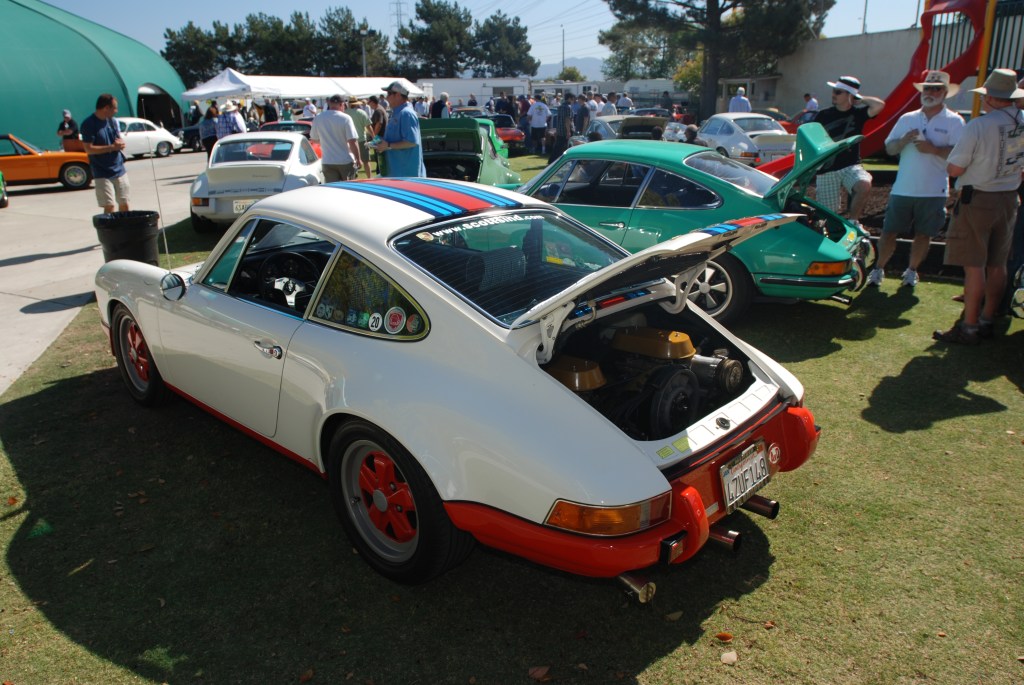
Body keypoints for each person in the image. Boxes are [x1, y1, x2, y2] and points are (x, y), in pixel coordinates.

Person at [933, 68, 1024, 345]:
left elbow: (955, 168)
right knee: (998, 264)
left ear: (992, 98)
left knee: (974, 265)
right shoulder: (1021, 120)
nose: (983, 100)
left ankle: (969, 326)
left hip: (979, 198)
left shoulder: (979, 126)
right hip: (1009, 198)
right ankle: (986, 319)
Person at [868, 71, 965, 290]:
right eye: (927, 88)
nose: (930, 92)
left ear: (945, 93)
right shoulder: (907, 118)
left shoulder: (955, 121)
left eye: (936, 89)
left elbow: (961, 154)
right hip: (902, 188)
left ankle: (912, 271)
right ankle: (878, 269)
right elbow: (890, 148)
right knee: (888, 232)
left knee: (924, 234)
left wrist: (934, 149)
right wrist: (903, 141)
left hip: (934, 191)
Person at [812, 75, 886, 224]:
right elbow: (812, 137)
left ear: (849, 95)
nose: (833, 94)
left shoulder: (858, 114)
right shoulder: (823, 115)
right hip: (827, 168)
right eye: (834, 90)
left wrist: (860, 99)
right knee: (826, 216)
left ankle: (853, 222)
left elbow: (879, 105)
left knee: (864, 184)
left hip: (850, 165)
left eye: (838, 92)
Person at [80, 93, 129, 214]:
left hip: (119, 169)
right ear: (106, 108)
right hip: (101, 171)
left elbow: (117, 140)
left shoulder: (113, 121)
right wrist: (112, 147)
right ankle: (109, 226)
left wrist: (120, 144)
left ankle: (124, 225)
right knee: (109, 205)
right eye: (115, 108)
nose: (116, 111)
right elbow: (89, 149)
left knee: (125, 203)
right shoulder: (89, 124)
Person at [376, 80, 425, 177]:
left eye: (389, 93)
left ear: (398, 95)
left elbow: (411, 142)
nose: (386, 97)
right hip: (397, 172)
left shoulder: (406, 113)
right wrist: (380, 142)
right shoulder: (397, 113)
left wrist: (388, 145)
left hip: (406, 175)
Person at [311, 94, 363, 182]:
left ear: (329, 104)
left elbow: (314, 139)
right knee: (348, 187)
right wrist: (358, 159)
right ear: (342, 104)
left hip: (327, 161)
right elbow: (352, 141)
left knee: (333, 188)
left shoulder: (318, 118)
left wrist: (326, 141)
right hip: (344, 160)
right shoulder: (346, 118)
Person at [346, 97, 373, 179]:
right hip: (361, 140)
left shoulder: (344, 113)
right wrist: (374, 137)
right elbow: (368, 126)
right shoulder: (362, 112)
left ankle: (353, 179)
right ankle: (369, 178)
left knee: (351, 162)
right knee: (366, 162)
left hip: (349, 141)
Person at [548, 92, 575, 164]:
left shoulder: (560, 106)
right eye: (572, 99)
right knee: (566, 146)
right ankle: (565, 161)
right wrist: (568, 131)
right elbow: (567, 120)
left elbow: (559, 118)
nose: (573, 101)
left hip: (560, 129)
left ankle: (552, 160)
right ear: (569, 98)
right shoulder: (568, 107)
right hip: (566, 130)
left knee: (558, 146)